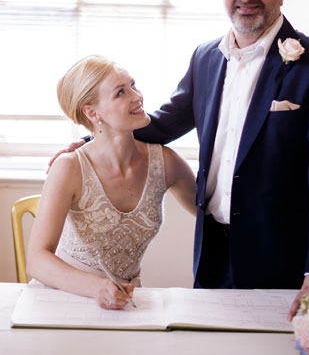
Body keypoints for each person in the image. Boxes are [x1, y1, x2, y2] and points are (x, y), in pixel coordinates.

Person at [50, 0, 309, 320]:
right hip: (212, 253)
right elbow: (159, 125)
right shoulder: (205, 58)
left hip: (282, 258)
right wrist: (87, 141)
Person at [27, 55, 196, 310]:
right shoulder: (69, 167)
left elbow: (215, 214)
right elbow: (37, 260)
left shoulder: (166, 163)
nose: (137, 96)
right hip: (63, 298)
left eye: (133, 85)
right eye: (120, 93)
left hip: (125, 302)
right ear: (92, 112)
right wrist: (97, 288)